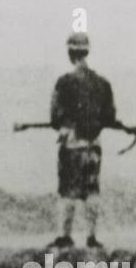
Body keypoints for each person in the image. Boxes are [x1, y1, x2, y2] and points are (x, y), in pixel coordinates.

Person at [47, 32, 115, 250]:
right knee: (91, 192)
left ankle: (64, 236)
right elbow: (110, 117)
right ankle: (92, 237)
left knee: (67, 191)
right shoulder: (103, 84)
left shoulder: (64, 83)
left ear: (70, 53)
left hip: (71, 146)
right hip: (94, 147)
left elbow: (55, 118)